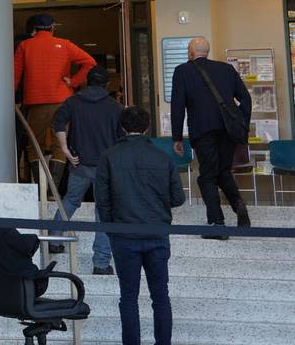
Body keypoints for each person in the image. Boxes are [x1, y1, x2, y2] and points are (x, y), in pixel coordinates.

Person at [96, 106, 186, 345]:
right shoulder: (162, 157)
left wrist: (110, 229)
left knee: (128, 298)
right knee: (161, 297)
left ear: (123, 127)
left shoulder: (109, 156)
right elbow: (178, 198)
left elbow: (102, 200)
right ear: (147, 127)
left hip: (124, 235)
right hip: (157, 233)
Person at [170, 36, 252, 234]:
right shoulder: (226, 69)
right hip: (228, 130)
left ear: (190, 53)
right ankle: (239, 205)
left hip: (203, 130)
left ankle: (217, 223)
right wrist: (242, 125)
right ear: (207, 52)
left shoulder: (183, 71)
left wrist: (177, 137)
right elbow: (245, 98)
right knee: (222, 170)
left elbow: (178, 106)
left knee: (206, 175)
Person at [46, 64, 123, 274]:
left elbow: (58, 122)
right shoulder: (115, 107)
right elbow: (121, 138)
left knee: (70, 200)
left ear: (88, 82)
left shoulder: (73, 102)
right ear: (107, 84)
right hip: (106, 168)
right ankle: (101, 263)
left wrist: (64, 149)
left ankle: (53, 239)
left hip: (79, 163)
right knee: (103, 210)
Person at [12, 13, 96, 191]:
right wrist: (73, 81)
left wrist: (12, 98)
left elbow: (15, 75)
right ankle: (53, 189)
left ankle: (41, 188)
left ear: (34, 28)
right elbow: (90, 62)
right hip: (62, 101)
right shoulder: (65, 44)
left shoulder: (25, 46)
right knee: (60, 145)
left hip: (36, 103)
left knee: (35, 145)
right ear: (52, 27)